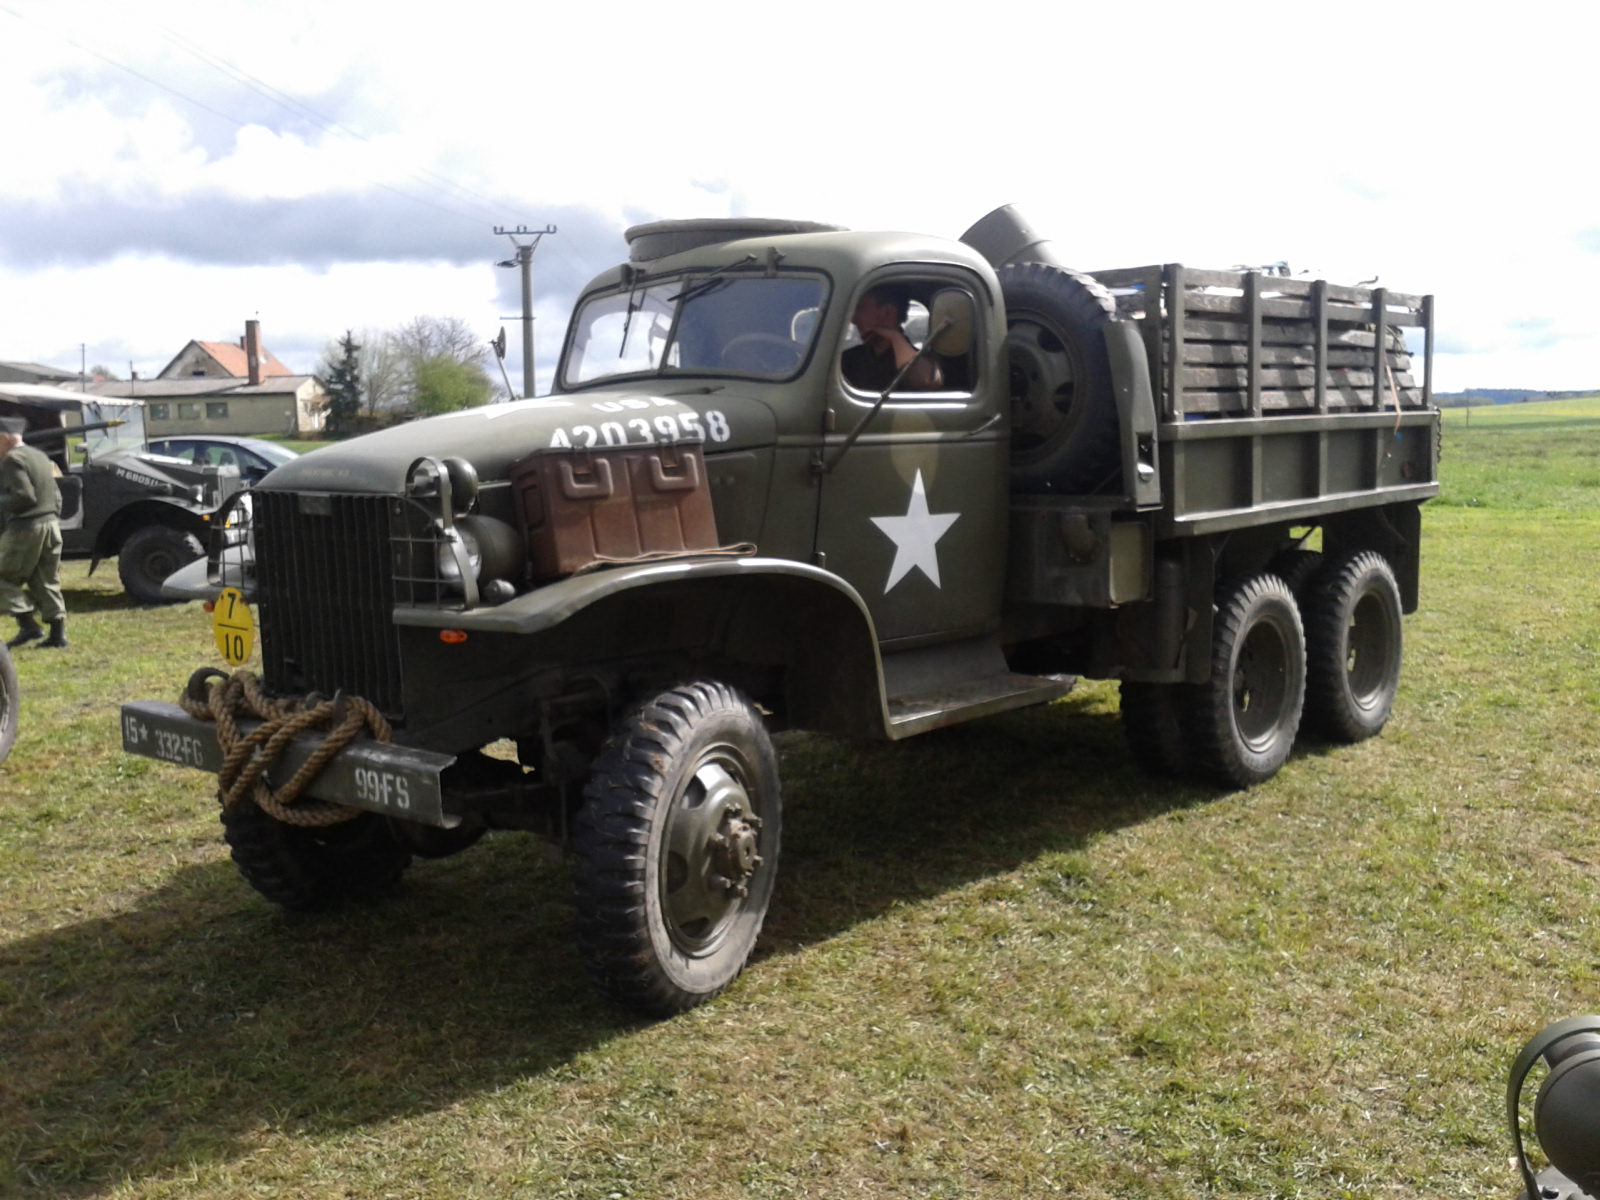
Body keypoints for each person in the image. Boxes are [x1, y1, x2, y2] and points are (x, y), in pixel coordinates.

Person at [0, 417, 67, 649]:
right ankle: (57, 635)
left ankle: (28, 625)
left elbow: (23, 496)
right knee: (46, 579)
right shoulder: (39, 456)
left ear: (4, 438)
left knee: (4, 578)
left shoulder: (12, 460)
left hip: (26, 528)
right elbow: (56, 494)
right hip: (50, 524)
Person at [842, 284, 943, 392]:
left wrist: (895, 337)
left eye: (860, 308)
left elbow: (926, 381)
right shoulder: (851, 359)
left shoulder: (921, 360)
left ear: (888, 312)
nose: (853, 319)